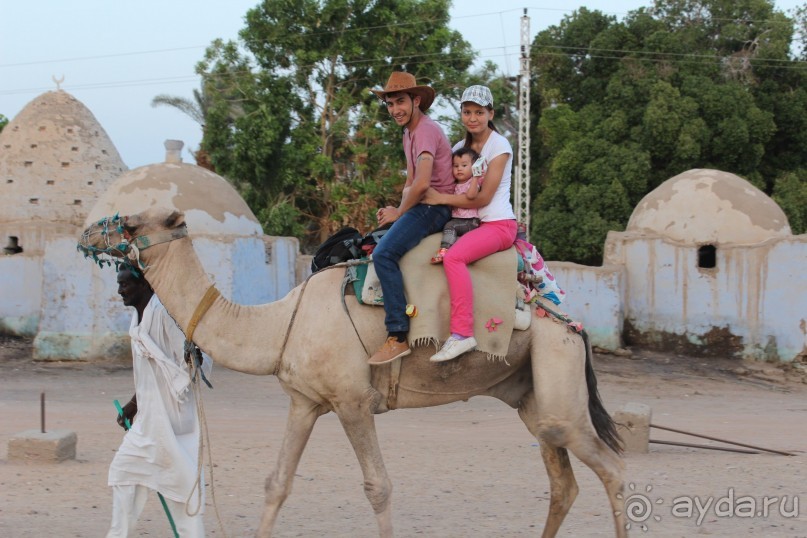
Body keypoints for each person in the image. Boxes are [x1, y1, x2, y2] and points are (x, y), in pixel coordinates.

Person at [107, 265, 211, 537]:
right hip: (148, 421)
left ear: (145, 285)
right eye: (119, 284)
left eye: (124, 284)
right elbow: (151, 371)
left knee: (182, 490)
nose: (119, 291)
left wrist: (194, 356)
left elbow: (189, 363)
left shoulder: (165, 315)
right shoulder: (137, 319)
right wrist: (134, 403)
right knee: (123, 474)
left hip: (172, 420)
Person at [422, 85, 518, 363]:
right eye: (467, 112)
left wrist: (439, 197)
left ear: (490, 113)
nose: (472, 118)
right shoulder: (458, 150)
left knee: (453, 258)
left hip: (496, 224)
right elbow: (441, 182)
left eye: (479, 112)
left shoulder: (499, 146)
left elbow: (483, 197)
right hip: (467, 222)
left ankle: (462, 334)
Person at [367, 71, 454, 365]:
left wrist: (399, 212)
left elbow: (422, 184)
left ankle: (397, 335)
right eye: (390, 104)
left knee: (383, 255)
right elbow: (410, 181)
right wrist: (397, 210)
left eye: (400, 102)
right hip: (419, 205)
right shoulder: (408, 133)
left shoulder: (426, 130)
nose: (395, 110)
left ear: (416, 100)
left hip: (433, 207)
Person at [430, 146, 484, 264]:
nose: (459, 169)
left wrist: (475, 177)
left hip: (470, 221)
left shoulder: (473, 182)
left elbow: (471, 196)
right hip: (458, 219)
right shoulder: (454, 184)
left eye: (464, 165)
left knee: (451, 226)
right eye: (456, 166)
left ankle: (444, 249)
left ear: (474, 166)